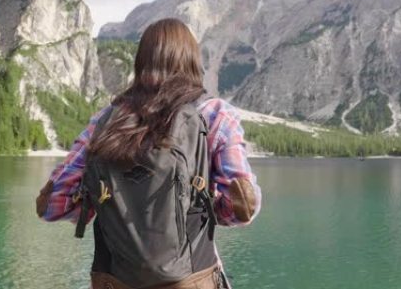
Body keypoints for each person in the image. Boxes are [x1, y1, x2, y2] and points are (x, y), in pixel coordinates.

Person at [35, 18, 261, 289]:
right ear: (191, 61)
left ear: (141, 63)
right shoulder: (215, 116)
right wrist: (199, 203)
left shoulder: (105, 122)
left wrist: (106, 203)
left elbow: (53, 206)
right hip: (190, 279)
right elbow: (241, 211)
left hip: (114, 281)